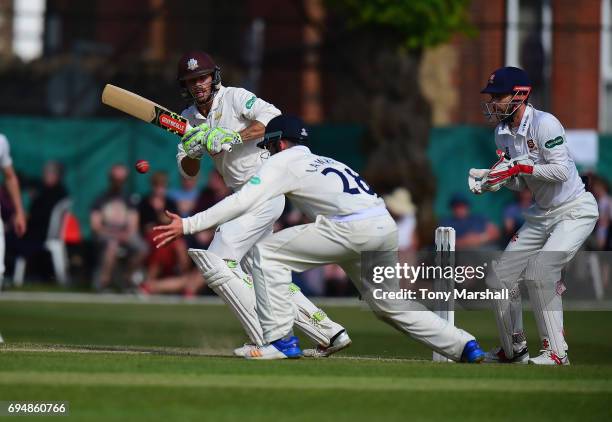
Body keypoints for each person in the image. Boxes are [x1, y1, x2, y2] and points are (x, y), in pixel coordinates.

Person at [153, 115, 485, 362]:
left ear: (280, 143)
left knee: (265, 254)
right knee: (388, 305)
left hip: (349, 228)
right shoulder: (324, 160)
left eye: (269, 145)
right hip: (382, 227)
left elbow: (242, 201)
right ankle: (464, 345)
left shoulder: (284, 161)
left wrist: (188, 225)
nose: (268, 152)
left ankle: (281, 340)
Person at [173, 51, 349, 357]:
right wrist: (194, 150)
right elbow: (188, 169)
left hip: (264, 187)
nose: (198, 85)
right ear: (185, 86)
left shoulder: (235, 97)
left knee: (217, 261)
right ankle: (329, 332)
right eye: (191, 81)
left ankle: (268, 340)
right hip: (241, 196)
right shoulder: (188, 119)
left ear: (213, 77)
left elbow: (273, 119)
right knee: (262, 274)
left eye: (202, 77)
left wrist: (232, 136)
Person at [472, 66, 598, 365]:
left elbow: (561, 171)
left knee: (541, 273)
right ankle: (513, 350)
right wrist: (496, 180)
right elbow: (522, 182)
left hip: (574, 210)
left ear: (520, 94)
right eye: (491, 96)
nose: (492, 102)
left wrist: (519, 167)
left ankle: (557, 353)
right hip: (541, 215)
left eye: (498, 96)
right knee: (499, 278)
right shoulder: (501, 133)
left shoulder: (545, 124)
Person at [90, 164, 147, 291]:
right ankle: (104, 283)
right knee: (112, 245)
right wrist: (113, 234)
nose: (118, 183)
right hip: (106, 235)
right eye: (116, 180)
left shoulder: (129, 199)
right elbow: (96, 226)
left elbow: (133, 225)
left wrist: (124, 235)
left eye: (121, 180)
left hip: (125, 234)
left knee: (142, 248)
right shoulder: (101, 199)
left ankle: (127, 277)